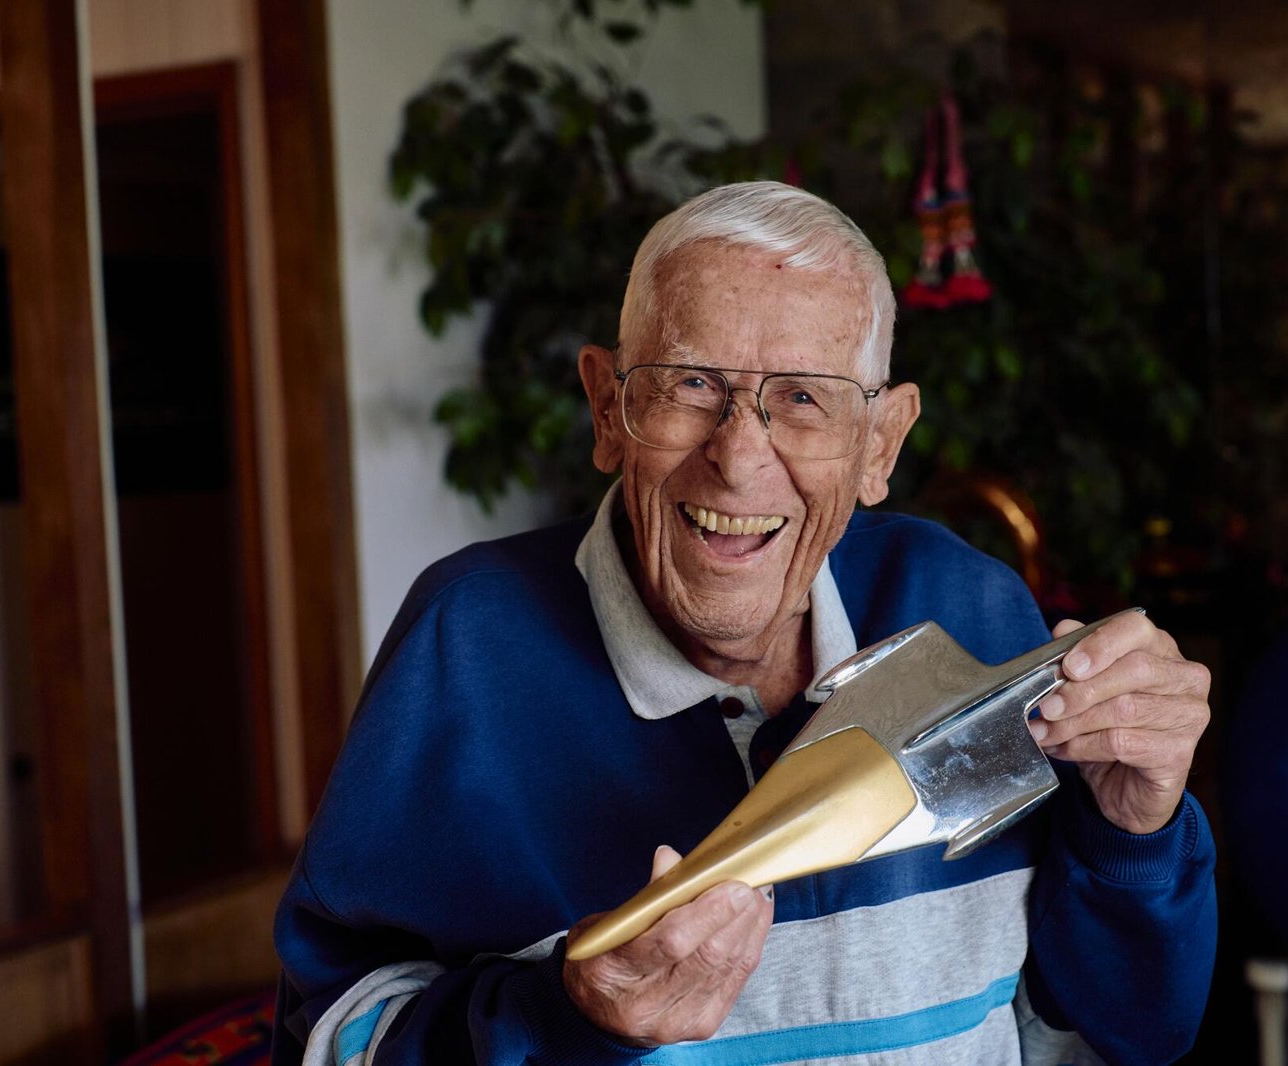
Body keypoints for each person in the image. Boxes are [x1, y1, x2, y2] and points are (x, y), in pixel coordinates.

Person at [272, 181, 1216, 1065]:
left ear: (879, 444)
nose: (738, 458)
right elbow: (326, 1037)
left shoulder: (966, 604)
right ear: (609, 408)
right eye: (690, 385)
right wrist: (561, 1023)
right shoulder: (466, 645)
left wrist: (1132, 833)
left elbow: (1129, 1031)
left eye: (803, 398)